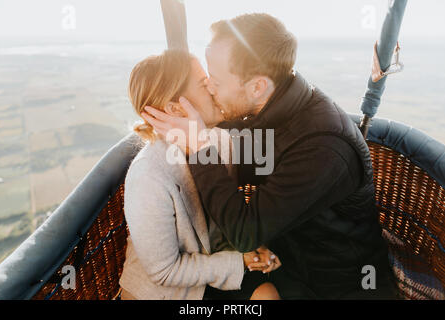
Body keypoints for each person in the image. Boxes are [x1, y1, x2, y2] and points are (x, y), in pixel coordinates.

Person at [142, 13, 398, 299]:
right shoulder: (265, 106)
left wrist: (201, 148)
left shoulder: (323, 147)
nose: (210, 89)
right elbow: (230, 129)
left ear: (257, 86)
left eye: (213, 80)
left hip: (336, 285)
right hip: (284, 262)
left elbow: (244, 233)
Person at [119, 49, 282, 300]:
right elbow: (164, 271)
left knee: (268, 295)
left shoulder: (218, 142)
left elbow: (227, 214)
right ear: (175, 109)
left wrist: (250, 247)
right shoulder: (147, 177)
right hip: (167, 291)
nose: (215, 90)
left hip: (211, 267)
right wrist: (239, 261)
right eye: (204, 85)